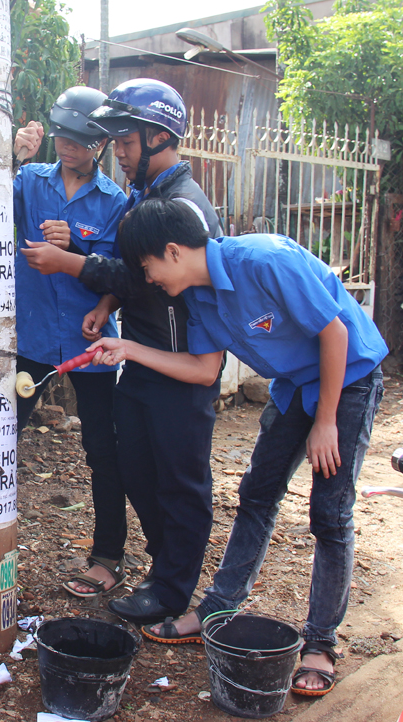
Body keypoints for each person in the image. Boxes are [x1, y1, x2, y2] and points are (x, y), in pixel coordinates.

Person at [90, 197, 387, 697]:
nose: (149, 279)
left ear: (172, 251)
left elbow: (334, 333)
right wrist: (129, 349)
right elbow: (205, 370)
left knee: (329, 515)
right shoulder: (201, 297)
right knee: (256, 495)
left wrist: (327, 421)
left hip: (347, 378)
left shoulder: (266, 259)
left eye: (147, 268)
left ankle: (320, 643)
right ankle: (217, 609)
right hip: (294, 385)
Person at [20, 79, 223, 622]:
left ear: (158, 136)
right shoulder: (147, 196)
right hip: (137, 353)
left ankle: (174, 591)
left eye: (126, 141)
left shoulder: (184, 208)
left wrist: (73, 263)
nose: (120, 152)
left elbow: (144, 279)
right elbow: (134, 278)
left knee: (179, 481)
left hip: (179, 365)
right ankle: (164, 572)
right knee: (135, 468)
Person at [12, 86, 129, 599]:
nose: (67, 148)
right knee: (2, 428)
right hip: (32, 337)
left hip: (90, 344)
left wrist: (74, 248)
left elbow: (115, 276)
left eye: (79, 142)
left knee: (103, 449)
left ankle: (107, 555)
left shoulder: (115, 202)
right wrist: (11, 155)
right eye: (61, 137)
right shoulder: (29, 182)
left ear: (100, 145)